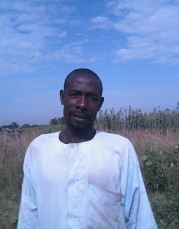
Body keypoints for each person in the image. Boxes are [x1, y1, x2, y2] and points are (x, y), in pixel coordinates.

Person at [18, 68, 157, 229]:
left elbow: (138, 216)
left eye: (91, 97)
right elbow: (29, 214)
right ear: (62, 97)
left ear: (100, 104)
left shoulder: (120, 148)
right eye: (75, 95)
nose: (82, 104)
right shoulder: (39, 149)